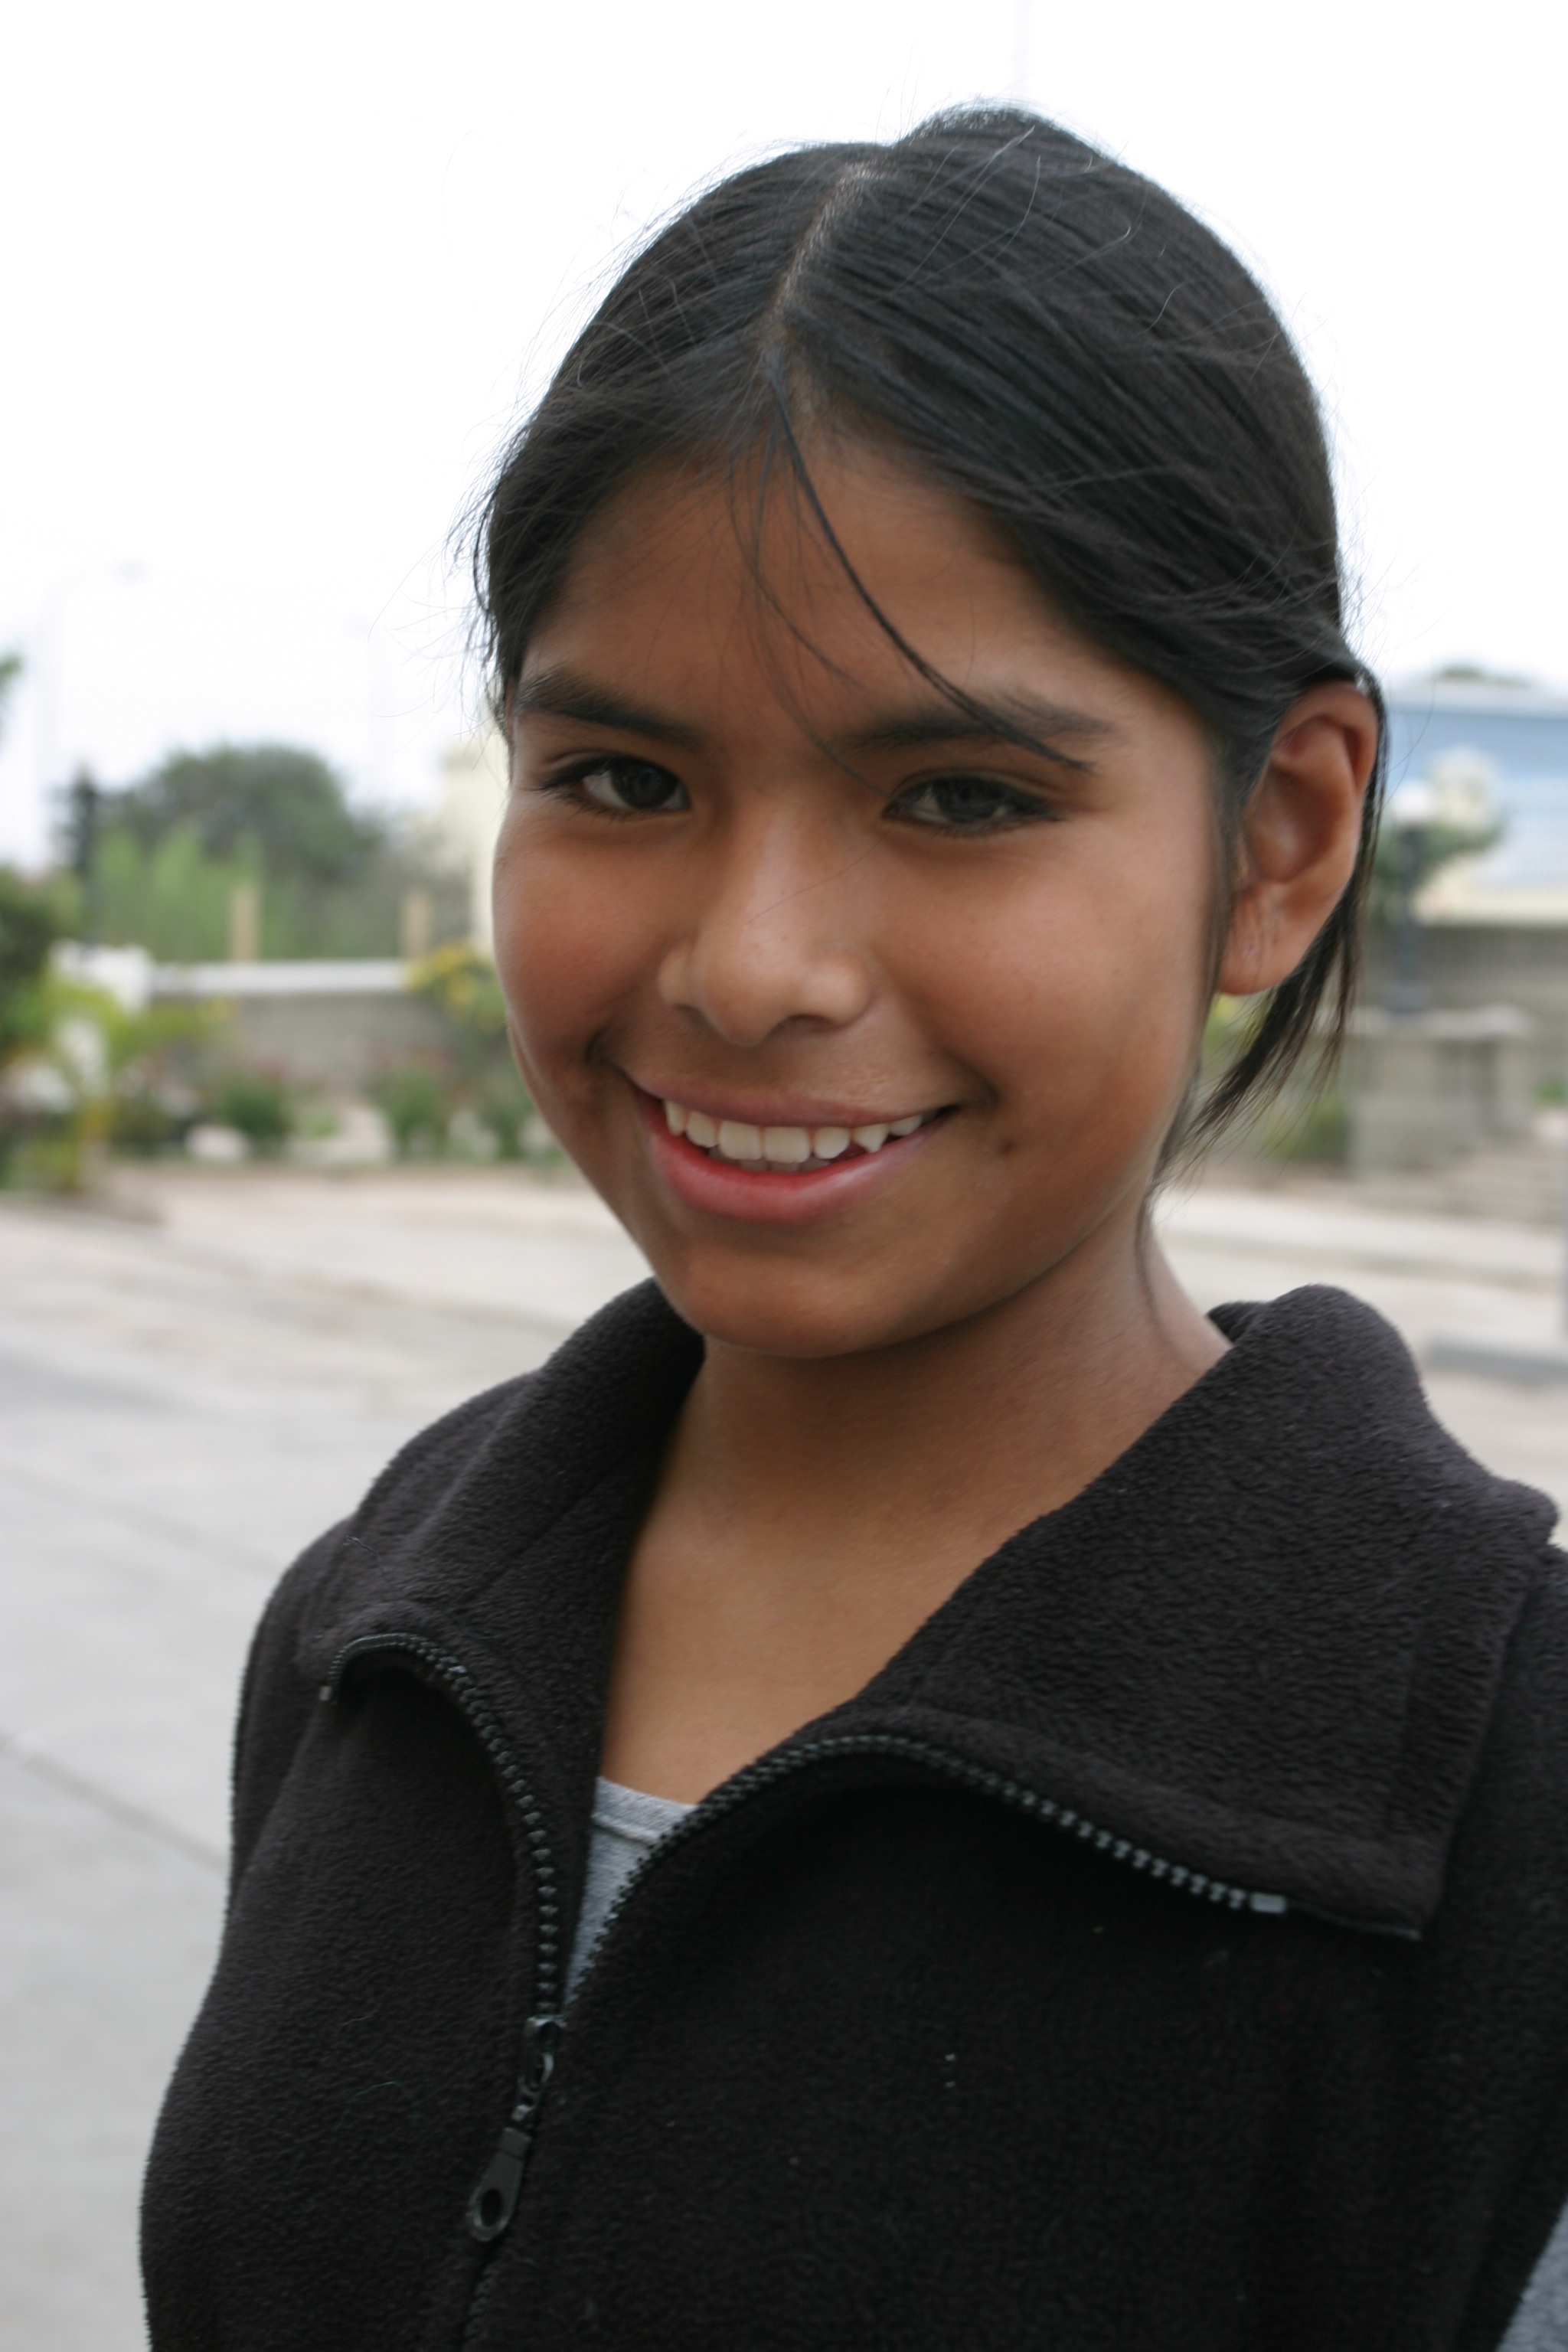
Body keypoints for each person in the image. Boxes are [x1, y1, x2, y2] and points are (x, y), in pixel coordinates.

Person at [142, 109, 1568, 2350]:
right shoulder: (380, 1619)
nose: (753, 967)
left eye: (959, 797)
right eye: (622, 780)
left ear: (1279, 844)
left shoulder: (1507, 1809)